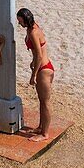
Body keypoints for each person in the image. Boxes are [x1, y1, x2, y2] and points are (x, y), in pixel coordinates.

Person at [17, 8, 55, 141]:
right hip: (42, 66)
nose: (19, 24)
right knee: (41, 101)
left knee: (45, 102)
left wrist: (33, 75)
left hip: (44, 69)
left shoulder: (33, 32)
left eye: (20, 21)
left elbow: (39, 55)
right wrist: (33, 62)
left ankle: (45, 134)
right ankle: (41, 127)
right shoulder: (33, 27)